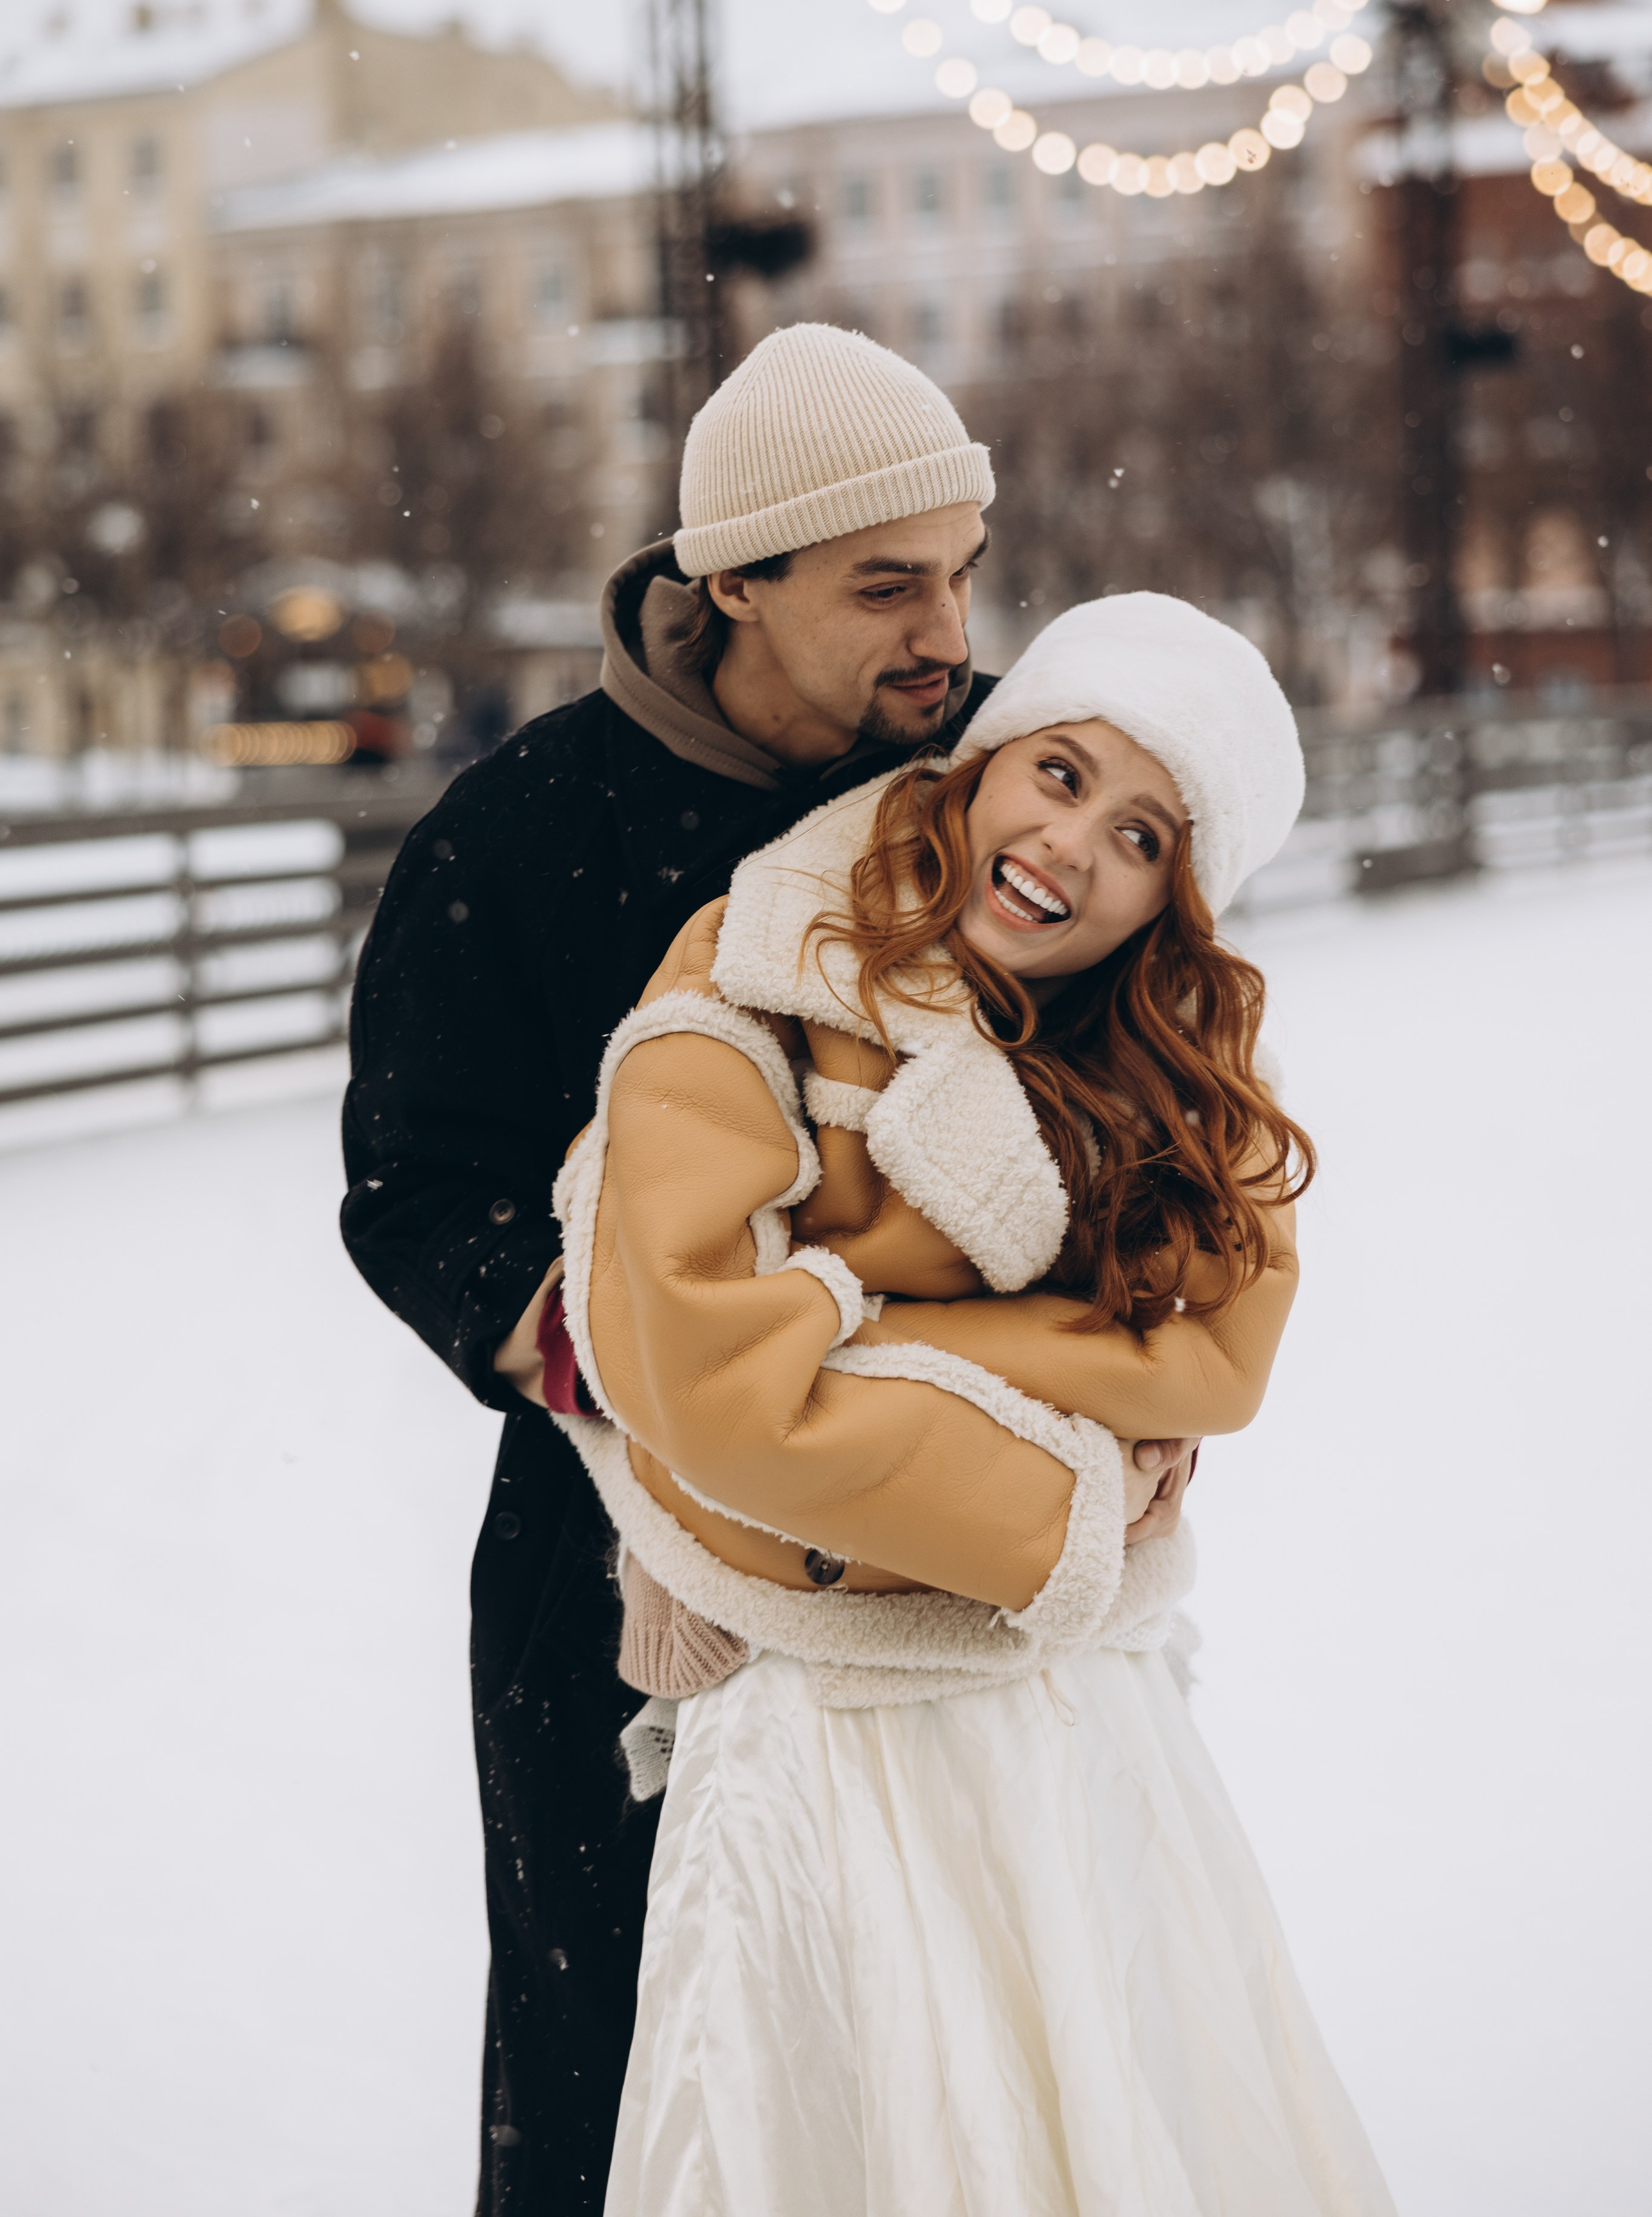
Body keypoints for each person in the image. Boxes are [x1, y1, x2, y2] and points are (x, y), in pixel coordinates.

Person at [339, 326, 1195, 2212]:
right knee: (639, 2069)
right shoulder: (520, 835)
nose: (945, 627)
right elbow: (415, 1197)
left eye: (963, 569)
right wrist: (680, 1401)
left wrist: (1128, 1362)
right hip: (620, 1586)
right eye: (888, 583)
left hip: (952, 1547)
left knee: (941, 2051)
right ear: (734, 580)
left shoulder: (975, 790)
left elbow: (1126, 1082)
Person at [553, 593, 1398, 2214]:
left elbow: (1215, 1365)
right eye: (1061, 774)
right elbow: (699, 1378)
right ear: (989, 760)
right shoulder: (765, 958)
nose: (1069, 847)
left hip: (1068, 1707)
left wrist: (856, 1335)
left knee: (1097, 2110)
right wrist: (1061, 1485)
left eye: (1141, 835)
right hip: (825, 1703)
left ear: (1173, 897)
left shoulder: (1167, 1050)